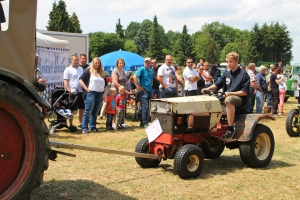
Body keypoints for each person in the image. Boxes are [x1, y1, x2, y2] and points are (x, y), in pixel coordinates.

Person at [202, 52, 250, 140]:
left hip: (239, 98)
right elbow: (217, 85)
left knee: (229, 100)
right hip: (226, 96)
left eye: (231, 61)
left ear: (237, 61)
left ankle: (230, 128)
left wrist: (231, 93)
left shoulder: (244, 74)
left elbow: (244, 92)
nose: (229, 64)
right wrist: (207, 89)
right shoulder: (227, 74)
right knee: (209, 99)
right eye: (227, 62)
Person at [79, 57, 107, 134]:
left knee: (95, 112)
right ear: (93, 63)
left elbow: (105, 85)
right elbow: (81, 80)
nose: (97, 64)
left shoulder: (102, 73)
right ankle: (84, 127)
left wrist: (104, 93)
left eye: (98, 63)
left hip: (100, 93)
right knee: (88, 111)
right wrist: (86, 89)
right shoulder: (88, 71)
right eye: (96, 63)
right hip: (91, 93)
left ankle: (93, 126)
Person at [63, 55, 84, 129]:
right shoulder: (68, 69)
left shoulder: (81, 69)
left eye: (77, 60)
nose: (76, 61)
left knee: (81, 108)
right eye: (74, 60)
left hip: (81, 91)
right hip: (73, 91)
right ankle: (71, 124)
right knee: (71, 109)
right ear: (71, 60)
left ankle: (80, 123)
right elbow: (65, 81)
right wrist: (69, 90)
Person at [133, 57, 153, 128]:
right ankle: (145, 122)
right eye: (146, 62)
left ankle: (143, 122)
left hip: (150, 90)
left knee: (147, 107)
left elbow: (151, 80)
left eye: (148, 62)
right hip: (144, 91)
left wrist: (151, 87)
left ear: (150, 63)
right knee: (145, 107)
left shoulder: (151, 71)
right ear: (144, 63)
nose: (147, 63)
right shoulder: (141, 69)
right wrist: (139, 87)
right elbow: (134, 77)